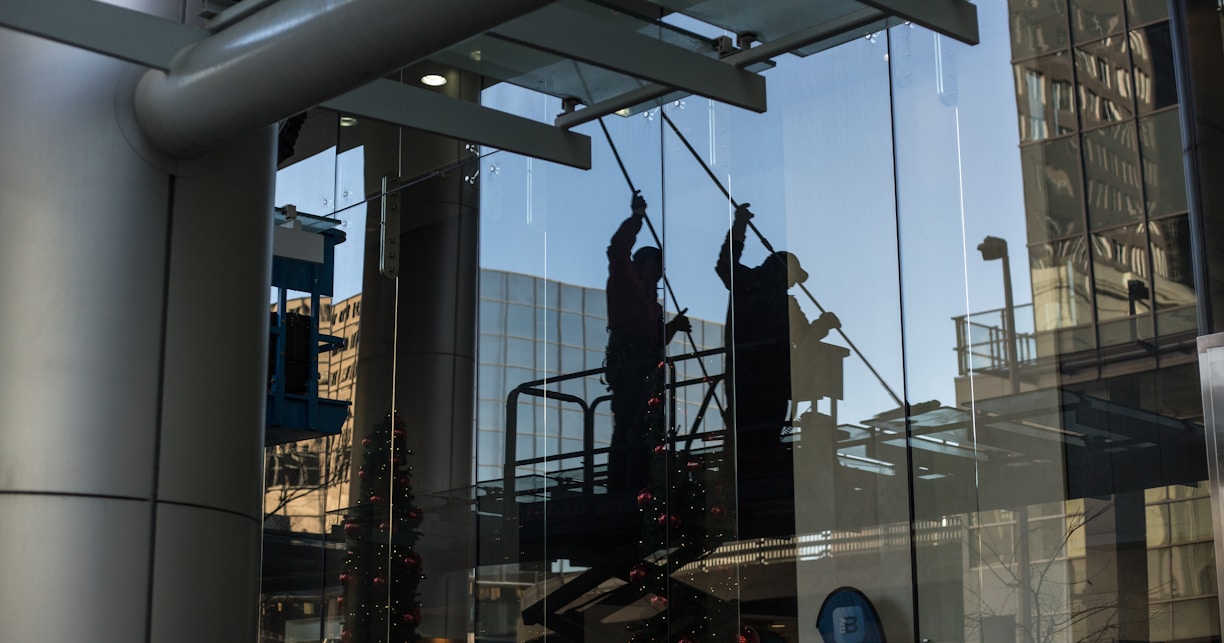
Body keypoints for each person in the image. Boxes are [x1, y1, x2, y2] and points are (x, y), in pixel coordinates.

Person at [716, 204, 839, 461]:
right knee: (753, 431)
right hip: (758, 378)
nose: (793, 284)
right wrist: (739, 226)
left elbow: (803, 337)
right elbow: (805, 338)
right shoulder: (750, 285)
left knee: (753, 431)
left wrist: (823, 323)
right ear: (781, 272)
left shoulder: (773, 296)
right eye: (792, 278)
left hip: (760, 379)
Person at [605, 192, 690, 492]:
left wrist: (673, 328)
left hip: (640, 364)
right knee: (631, 425)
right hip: (629, 364)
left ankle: (635, 480)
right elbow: (617, 251)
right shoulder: (627, 286)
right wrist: (636, 218)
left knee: (640, 425)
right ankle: (623, 483)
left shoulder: (651, 305)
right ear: (644, 267)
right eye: (658, 266)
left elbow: (654, 341)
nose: (660, 273)